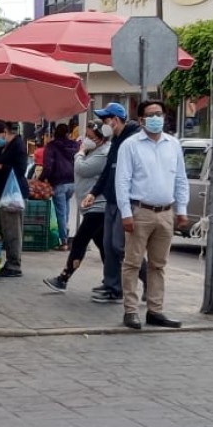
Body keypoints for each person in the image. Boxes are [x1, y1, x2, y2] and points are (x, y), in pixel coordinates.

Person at [116, 100, 189, 329]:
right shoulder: (130, 145)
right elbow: (122, 181)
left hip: (165, 213)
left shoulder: (173, 144)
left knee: (158, 265)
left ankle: (155, 311)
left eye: (159, 114)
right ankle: (130, 311)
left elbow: (180, 178)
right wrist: (126, 214)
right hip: (140, 211)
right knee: (132, 263)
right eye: (151, 115)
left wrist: (182, 210)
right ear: (141, 120)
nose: (156, 118)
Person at [81, 102, 148, 304]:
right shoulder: (117, 140)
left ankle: (149, 281)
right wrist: (94, 192)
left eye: (105, 120)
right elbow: (109, 169)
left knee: (121, 247)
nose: (103, 125)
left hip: (126, 200)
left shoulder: (134, 140)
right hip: (111, 199)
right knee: (109, 245)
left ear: (115, 120)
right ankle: (113, 286)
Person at [43, 120, 112, 292]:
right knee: (106, 247)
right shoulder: (94, 150)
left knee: (80, 241)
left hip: (98, 207)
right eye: (86, 136)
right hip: (91, 206)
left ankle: (63, 279)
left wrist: (80, 153)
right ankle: (112, 281)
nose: (85, 140)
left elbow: (82, 169)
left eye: (90, 136)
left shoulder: (103, 153)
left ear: (100, 138)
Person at [0, 120, 29, 277]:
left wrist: (0, 167)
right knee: (8, 230)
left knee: (13, 230)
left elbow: (21, 169)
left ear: (5, 131)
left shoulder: (18, 145)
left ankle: (14, 265)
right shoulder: (3, 146)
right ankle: (11, 262)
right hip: (5, 192)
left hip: (14, 195)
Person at [41, 122, 78, 250]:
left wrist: (42, 178)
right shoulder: (74, 146)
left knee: (61, 212)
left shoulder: (51, 146)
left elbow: (48, 165)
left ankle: (64, 241)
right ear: (68, 133)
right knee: (66, 208)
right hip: (72, 182)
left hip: (59, 182)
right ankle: (65, 233)